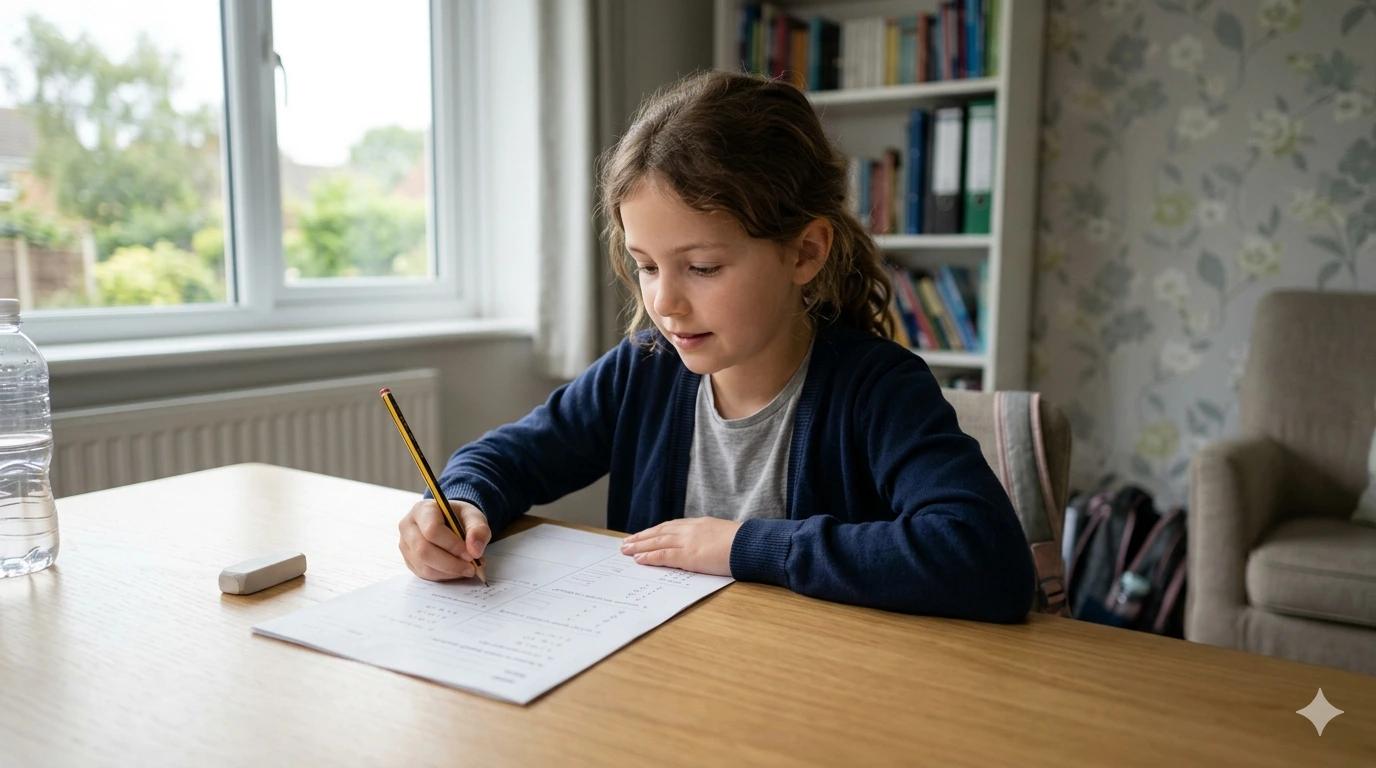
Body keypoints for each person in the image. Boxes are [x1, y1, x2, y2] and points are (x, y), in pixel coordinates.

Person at [397, 70, 1034, 622]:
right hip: (674, 681)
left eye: (701, 267)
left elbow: (988, 560)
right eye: (646, 266)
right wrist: (457, 501)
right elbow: (507, 458)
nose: (665, 303)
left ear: (805, 252)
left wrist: (742, 547)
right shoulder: (643, 371)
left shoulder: (878, 391)